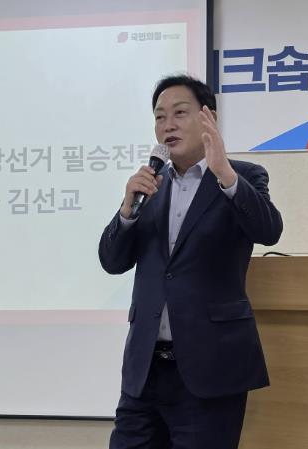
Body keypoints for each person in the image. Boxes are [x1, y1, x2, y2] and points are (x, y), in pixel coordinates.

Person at [98, 74, 283, 449]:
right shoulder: (151, 184)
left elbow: (269, 231)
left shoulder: (242, 176)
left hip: (210, 368)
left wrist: (224, 172)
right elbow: (112, 261)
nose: (167, 124)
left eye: (179, 113)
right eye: (160, 116)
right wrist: (127, 212)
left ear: (207, 117)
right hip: (145, 371)